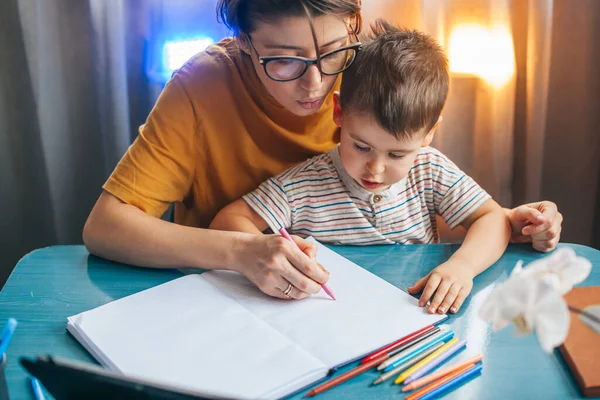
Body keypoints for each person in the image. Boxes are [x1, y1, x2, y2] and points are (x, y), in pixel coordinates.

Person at [83, 0, 562, 305]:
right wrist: (240, 250)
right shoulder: (202, 87)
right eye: (285, 60)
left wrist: (507, 223)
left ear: (354, 24)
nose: (314, 85)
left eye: (333, 50)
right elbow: (106, 227)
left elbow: (432, 202)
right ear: (245, 42)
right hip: (228, 303)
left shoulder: (367, 76)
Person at [210, 21, 510, 314]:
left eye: (396, 154)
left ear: (429, 132)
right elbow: (229, 220)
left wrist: (463, 266)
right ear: (339, 112)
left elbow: (493, 219)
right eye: (361, 147)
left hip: (414, 320)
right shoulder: (303, 185)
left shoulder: (429, 169)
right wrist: (269, 251)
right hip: (326, 318)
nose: (375, 170)